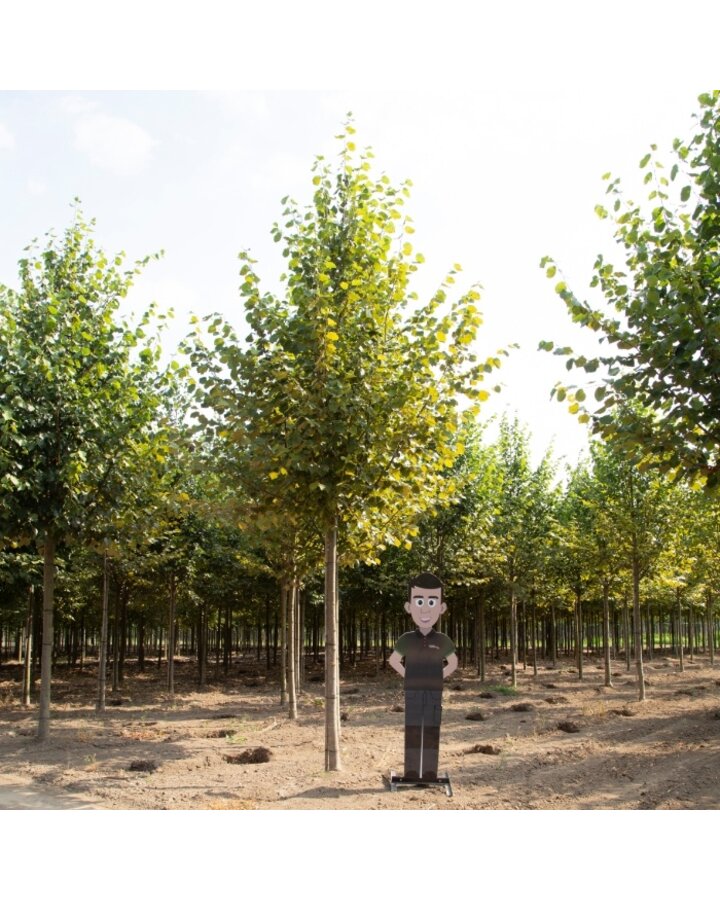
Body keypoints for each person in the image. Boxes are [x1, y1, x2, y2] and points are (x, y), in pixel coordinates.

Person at [388, 572, 458, 782]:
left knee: (431, 730)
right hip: (413, 692)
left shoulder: (443, 640)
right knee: (413, 729)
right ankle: (411, 773)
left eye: (432, 601)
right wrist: (408, 676)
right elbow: (394, 660)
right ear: (409, 607)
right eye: (419, 601)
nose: (425, 608)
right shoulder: (406, 639)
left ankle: (429, 773)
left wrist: (438, 676)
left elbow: (453, 663)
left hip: (434, 692)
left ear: (441, 608)